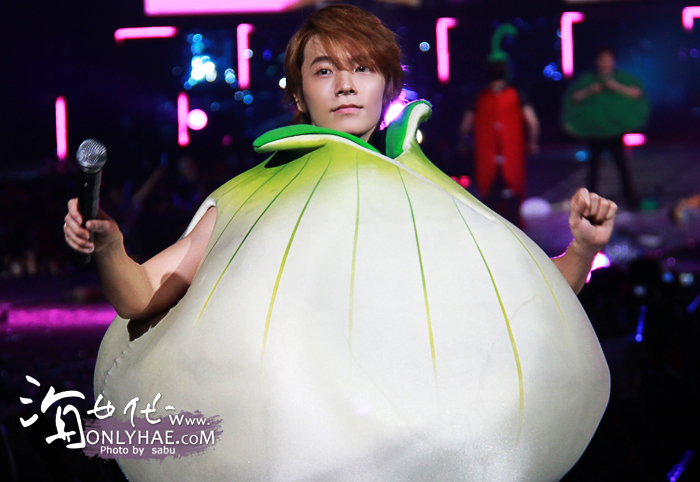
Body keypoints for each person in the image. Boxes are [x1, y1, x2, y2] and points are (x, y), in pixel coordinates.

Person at [65, 7, 613, 321]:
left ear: (388, 86)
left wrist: (583, 249)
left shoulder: (429, 191)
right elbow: (141, 296)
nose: (346, 84)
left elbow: (530, 302)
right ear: (299, 93)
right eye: (324, 71)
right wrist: (110, 248)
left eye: (363, 69)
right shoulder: (254, 198)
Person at [458, 24, 540, 227]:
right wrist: (533, 142)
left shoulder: (481, 96)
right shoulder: (513, 94)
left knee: (492, 200)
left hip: (494, 156)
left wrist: (462, 142)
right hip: (505, 155)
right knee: (507, 197)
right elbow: (532, 121)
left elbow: (465, 124)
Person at [562, 48, 649, 209]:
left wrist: (616, 86)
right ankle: (591, 203)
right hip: (596, 133)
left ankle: (630, 200)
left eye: (608, 59)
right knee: (593, 169)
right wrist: (591, 90)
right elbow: (574, 96)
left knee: (622, 166)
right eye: (602, 59)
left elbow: (637, 93)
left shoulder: (622, 78)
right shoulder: (588, 79)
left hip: (615, 132)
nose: (605, 63)